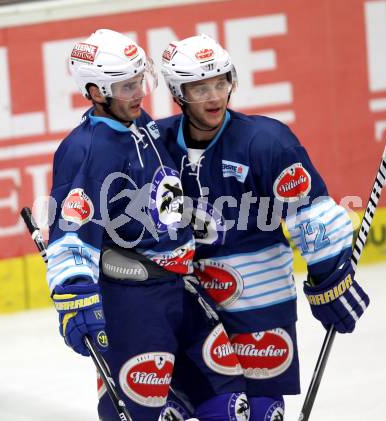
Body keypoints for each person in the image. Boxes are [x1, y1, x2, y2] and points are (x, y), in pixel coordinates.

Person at [157, 34, 370, 420]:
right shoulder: (156, 145)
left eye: (221, 82)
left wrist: (330, 283)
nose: (214, 95)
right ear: (177, 91)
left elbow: (310, 217)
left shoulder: (266, 141)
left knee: (259, 412)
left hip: (259, 299)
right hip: (187, 301)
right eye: (200, 87)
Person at [46, 29, 248, 421]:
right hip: (132, 302)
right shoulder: (86, 149)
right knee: (143, 412)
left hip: (179, 288)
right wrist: (76, 299)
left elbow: (156, 193)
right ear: (95, 90)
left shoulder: (141, 124)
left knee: (229, 402)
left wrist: (190, 219)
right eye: (125, 86)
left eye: (140, 80)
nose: (138, 92)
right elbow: (72, 231)